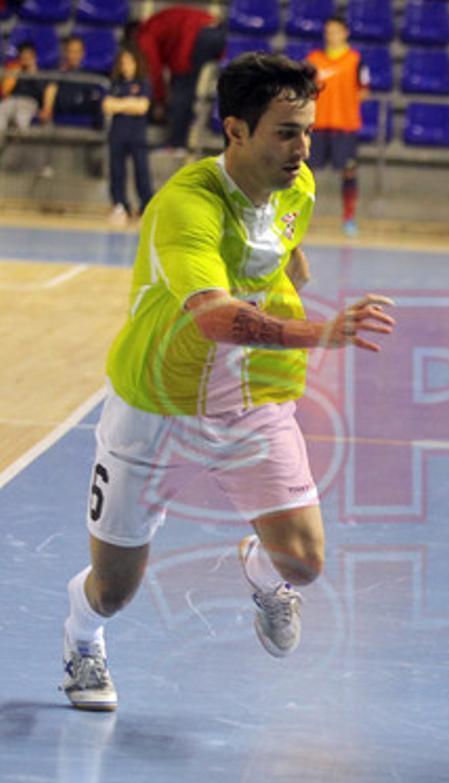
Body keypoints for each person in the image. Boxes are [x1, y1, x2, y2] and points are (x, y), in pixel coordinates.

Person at [60, 53, 395, 712]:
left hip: (249, 404)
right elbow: (213, 317)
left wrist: (289, 284)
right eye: (286, 132)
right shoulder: (186, 206)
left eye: (307, 128)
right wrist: (320, 333)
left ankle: (262, 570)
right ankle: (82, 638)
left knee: (302, 559)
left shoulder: (295, 187)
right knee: (114, 587)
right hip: (155, 406)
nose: (304, 147)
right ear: (236, 130)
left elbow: (283, 247)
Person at [306, 16, 369, 237]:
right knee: (304, 173)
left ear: (345, 33)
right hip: (317, 126)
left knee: (349, 172)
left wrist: (344, 105)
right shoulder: (313, 59)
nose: (331, 35)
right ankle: (296, 217)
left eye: (335, 31)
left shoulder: (355, 60)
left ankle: (349, 219)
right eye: (328, 31)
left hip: (345, 126)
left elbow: (364, 90)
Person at [131, 5, 227, 151]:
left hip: (198, 36)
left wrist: (159, 101)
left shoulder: (144, 35)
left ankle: (176, 143)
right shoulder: (158, 22)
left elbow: (154, 70)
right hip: (217, 31)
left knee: (182, 89)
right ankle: (181, 138)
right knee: (185, 87)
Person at [104, 45, 154, 227]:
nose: (125, 66)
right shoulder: (115, 84)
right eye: (122, 62)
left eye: (129, 62)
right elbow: (108, 105)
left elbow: (142, 107)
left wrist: (121, 105)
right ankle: (120, 204)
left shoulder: (143, 83)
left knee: (141, 170)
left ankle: (146, 205)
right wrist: (129, 104)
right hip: (117, 134)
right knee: (117, 171)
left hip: (137, 135)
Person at [0, 41, 53, 141]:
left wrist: (34, 74)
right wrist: (13, 75)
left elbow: (44, 93)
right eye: (23, 56)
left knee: (21, 120)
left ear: (34, 57)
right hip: (11, 100)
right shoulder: (14, 69)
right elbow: (4, 92)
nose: (26, 59)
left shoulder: (42, 73)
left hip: (28, 102)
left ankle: (17, 151)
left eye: (28, 56)